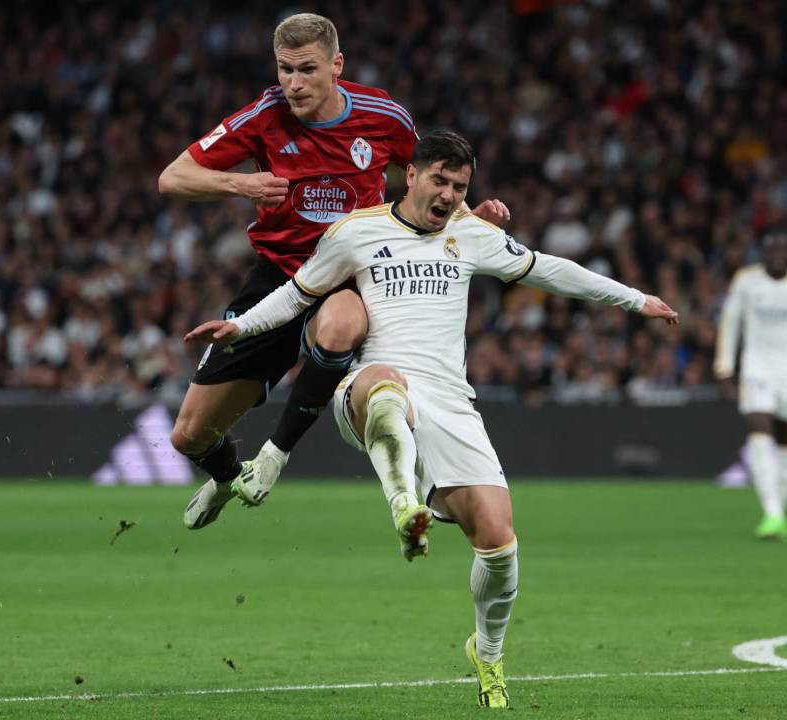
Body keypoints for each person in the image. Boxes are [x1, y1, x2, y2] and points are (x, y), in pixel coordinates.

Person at [185, 130, 679, 708]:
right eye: (439, 180)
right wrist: (240, 327)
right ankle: (403, 507)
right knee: (386, 387)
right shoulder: (357, 231)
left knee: (500, 549)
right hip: (369, 390)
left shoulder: (471, 235)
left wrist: (634, 299)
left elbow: (551, 270)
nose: (447, 194)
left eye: (460, 186)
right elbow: (297, 295)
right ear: (410, 175)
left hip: (450, 403)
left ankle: (488, 654)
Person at [158, 12, 510, 529]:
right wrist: (244, 186)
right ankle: (228, 478)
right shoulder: (263, 115)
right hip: (277, 277)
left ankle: (278, 457)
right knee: (188, 436)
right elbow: (173, 177)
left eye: (307, 70)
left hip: (351, 277)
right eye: (284, 70)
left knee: (347, 328)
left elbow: (424, 182)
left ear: (336, 65)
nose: (294, 84)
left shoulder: (383, 116)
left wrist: (465, 217)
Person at [714, 229, 787, 540]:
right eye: (770, 250)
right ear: (763, 253)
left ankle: (778, 507)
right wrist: (725, 367)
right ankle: (771, 512)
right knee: (758, 428)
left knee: (783, 441)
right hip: (756, 367)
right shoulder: (746, 280)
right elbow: (731, 322)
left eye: (781, 250)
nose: (776, 255)